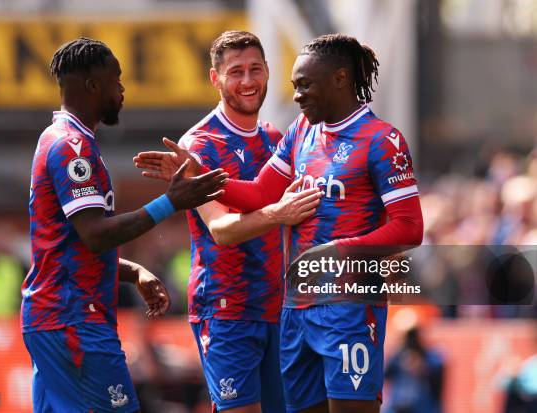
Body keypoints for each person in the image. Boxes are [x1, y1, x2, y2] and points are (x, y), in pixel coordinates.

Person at [135, 33, 423, 413]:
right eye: (294, 86)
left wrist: (339, 252)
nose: (297, 96)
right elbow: (258, 193)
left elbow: (410, 228)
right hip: (293, 309)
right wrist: (199, 173)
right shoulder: (301, 131)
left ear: (339, 79)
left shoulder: (382, 140)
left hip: (349, 306)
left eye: (305, 85)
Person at [21, 37, 228, 413]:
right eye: (116, 79)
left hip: (55, 318)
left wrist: (134, 273)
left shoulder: (60, 140)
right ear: (92, 85)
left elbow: (72, 249)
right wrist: (172, 201)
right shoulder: (72, 148)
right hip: (74, 322)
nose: (122, 88)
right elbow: (95, 235)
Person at [136, 30, 321, 413]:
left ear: (269, 71)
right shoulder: (198, 145)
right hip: (227, 309)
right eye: (236, 72)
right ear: (215, 78)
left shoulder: (275, 138)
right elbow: (220, 229)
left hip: (280, 309)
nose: (248, 81)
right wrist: (280, 213)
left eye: (255, 69)